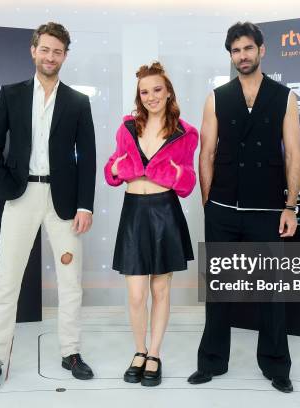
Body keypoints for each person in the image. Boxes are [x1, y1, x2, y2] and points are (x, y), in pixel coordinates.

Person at [0, 22, 96, 390]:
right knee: (7, 282)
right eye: (45, 49)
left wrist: (85, 206)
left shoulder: (78, 101)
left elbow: (88, 156)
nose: (50, 56)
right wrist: (7, 187)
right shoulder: (11, 94)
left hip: (64, 203)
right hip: (21, 196)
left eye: (57, 51)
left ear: (64, 55)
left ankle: (71, 351)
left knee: (71, 283)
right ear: (34, 50)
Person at [187, 22, 300, 393]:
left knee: (272, 291)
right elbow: (205, 153)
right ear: (231, 55)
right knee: (218, 288)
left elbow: (293, 154)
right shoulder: (217, 97)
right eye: (236, 51)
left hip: (269, 209)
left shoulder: (284, 96)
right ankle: (211, 362)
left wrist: (290, 206)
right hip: (222, 206)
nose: (243, 56)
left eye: (248, 49)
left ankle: (275, 366)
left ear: (261, 50)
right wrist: (208, 202)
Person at [104, 62, 198, 387]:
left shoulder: (185, 132)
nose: (151, 96)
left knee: (160, 289)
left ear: (168, 90)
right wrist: (117, 168)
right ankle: (139, 350)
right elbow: (112, 169)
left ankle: (154, 353)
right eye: (145, 91)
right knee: (134, 294)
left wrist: (172, 174)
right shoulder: (126, 128)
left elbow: (188, 181)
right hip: (133, 211)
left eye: (157, 89)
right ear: (138, 95)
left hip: (164, 212)